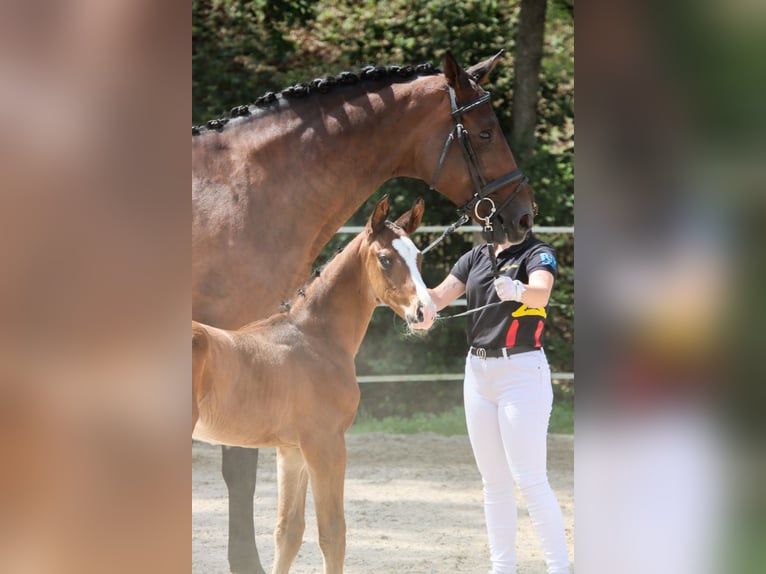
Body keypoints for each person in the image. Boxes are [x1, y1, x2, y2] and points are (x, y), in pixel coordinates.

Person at [417, 231, 571, 574]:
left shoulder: (537, 252)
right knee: (494, 482)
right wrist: (411, 296)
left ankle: (559, 567)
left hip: (521, 371)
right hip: (478, 372)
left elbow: (542, 293)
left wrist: (518, 291)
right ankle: (502, 569)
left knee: (530, 481)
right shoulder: (474, 257)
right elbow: (439, 296)